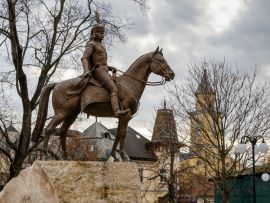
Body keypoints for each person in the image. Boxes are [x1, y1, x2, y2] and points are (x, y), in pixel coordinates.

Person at [81, 23, 129, 117]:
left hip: (104, 70)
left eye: (103, 32)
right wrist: (86, 70)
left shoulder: (101, 46)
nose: (102, 34)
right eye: (99, 32)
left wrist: (111, 68)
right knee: (114, 89)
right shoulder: (91, 44)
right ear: (94, 33)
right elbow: (84, 58)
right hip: (97, 71)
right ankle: (116, 111)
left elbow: (102, 63)